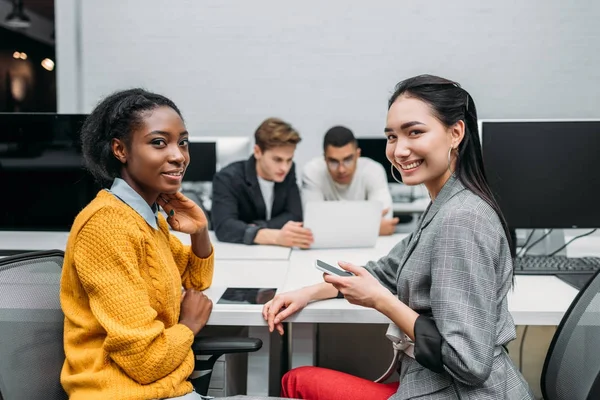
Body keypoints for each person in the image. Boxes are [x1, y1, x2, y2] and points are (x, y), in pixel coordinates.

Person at [263, 75, 534, 400]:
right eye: (392, 136)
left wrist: (381, 301)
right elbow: (386, 272)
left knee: (296, 381)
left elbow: (468, 363)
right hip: (428, 382)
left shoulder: (462, 218)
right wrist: (308, 292)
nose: (399, 149)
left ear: (456, 133)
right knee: (299, 379)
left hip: (456, 392)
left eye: (414, 132)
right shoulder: (444, 205)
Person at [60, 89, 215, 400]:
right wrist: (189, 325)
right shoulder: (107, 225)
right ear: (120, 150)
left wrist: (199, 231)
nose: (178, 156)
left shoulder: (145, 217)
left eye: (182, 142)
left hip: (164, 391)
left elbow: (195, 281)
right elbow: (146, 362)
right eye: (159, 142)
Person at [211, 117, 313, 247]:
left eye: (289, 160)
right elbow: (224, 226)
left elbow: (295, 215)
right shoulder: (227, 178)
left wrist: (258, 227)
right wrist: (275, 236)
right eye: (277, 159)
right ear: (257, 152)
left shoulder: (288, 171)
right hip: (239, 253)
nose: (285, 167)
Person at [302, 126, 399, 236]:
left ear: (358, 155)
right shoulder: (312, 171)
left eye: (347, 160)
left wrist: (330, 224)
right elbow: (313, 225)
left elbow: (386, 223)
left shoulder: (373, 170)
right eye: (333, 162)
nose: (341, 169)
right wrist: (369, 226)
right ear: (324, 158)